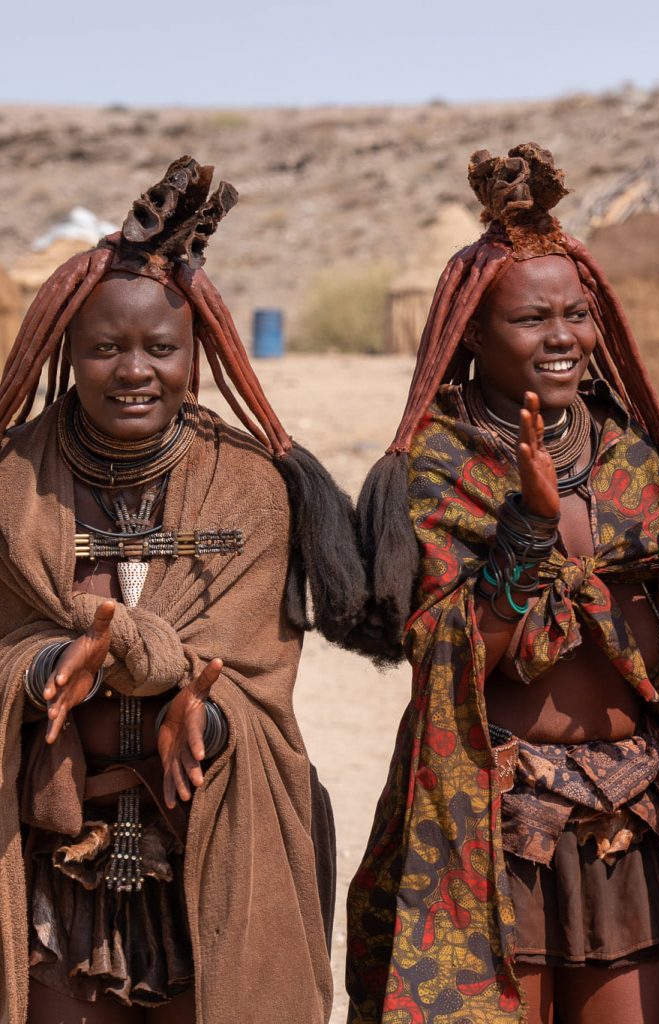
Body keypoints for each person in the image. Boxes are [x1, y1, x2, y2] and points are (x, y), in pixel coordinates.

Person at [345, 144, 659, 1024]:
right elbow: (454, 662)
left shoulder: (632, 458)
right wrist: (526, 532)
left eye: (578, 314)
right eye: (534, 319)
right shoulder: (438, 467)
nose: (564, 337)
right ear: (472, 336)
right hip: (499, 823)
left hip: (631, 817)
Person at [0, 157, 364, 1023]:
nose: (134, 370)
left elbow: (257, 677)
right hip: (55, 851)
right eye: (105, 347)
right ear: (66, 352)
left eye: (160, 348)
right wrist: (52, 660)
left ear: (193, 356)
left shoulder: (246, 485)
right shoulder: (14, 481)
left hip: (211, 839)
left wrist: (207, 706)